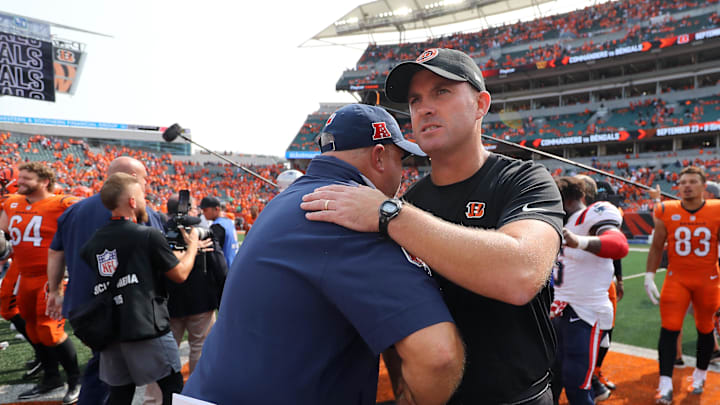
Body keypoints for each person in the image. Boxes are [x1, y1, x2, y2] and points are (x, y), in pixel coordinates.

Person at [301, 48, 564, 404]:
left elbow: (521, 274)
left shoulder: (524, 179)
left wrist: (390, 215)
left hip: (518, 398)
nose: (424, 108)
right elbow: (392, 319)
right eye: (415, 99)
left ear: (481, 104)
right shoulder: (409, 201)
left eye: (442, 91)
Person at [182, 103, 464, 405]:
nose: (402, 171)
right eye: (401, 159)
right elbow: (439, 356)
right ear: (379, 156)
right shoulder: (350, 214)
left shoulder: (282, 202)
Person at [46, 156, 166, 405]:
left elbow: (55, 252)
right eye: (144, 179)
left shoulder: (73, 210)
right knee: (114, 375)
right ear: (132, 179)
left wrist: (55, 291)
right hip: (121, 308)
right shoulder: (139, 211)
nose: (146, 184)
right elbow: (162, 261)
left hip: (82, 306)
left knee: (104, 365)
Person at [80, 173, 199, 405]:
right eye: (142, 196)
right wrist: (193, 246)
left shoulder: (94, 240)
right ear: (133, 201)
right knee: (172, 388)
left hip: (110, 327)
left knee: (120, 393)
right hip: (145, 324)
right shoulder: (147, 235)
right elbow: (180, 274)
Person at [0, 162, 81, 404]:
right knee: (33, 328)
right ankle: (51, 377)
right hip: (25, 275)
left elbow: (91, 210)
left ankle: (75, 380)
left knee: (49, 329)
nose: (20, 182)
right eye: (20, 178)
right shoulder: (12, 203)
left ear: (45, 181)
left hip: (51, 276)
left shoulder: (61, 203)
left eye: (26, 178)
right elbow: (3, 234)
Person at [550, 176, 629, 405]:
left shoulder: (593, 214)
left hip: (585, 310)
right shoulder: (557, 221)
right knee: (551, 378)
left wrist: (580, 242)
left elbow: (619, 245)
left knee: (576, 382)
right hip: (558, 309)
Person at [645, 166, 720, 403]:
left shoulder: (717, 210)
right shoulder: (666, 209)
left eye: (692, 181)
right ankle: (665, 383)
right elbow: (657, 246)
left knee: (705, 328)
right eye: (683, 182)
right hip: (677, 279)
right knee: (669, 329)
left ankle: (700, 374)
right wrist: (649, 275)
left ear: (703, 186)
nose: (687, 185)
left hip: (708, 280)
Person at [143, 196, 227, 405]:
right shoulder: (200, 231)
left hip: (169, 303)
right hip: (201, 301)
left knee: (163, 356)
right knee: (200, 349)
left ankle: (153, 400)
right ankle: (196, 397)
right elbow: (220, 266)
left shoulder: (159, 231)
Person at [575, 175, 624, 397]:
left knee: (604, 333)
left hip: (599, 284)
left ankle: (595, 373)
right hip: (571, 286)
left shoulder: (600, 211)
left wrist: (619, 278)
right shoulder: (564, 211)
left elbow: (615, 246)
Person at [199, 196, 238, 268]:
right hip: (234, 266)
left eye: (205, 210)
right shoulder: (228, 222)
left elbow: (213, 254)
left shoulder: (217, 226)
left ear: (216, 209)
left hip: (225, 268)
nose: (203, 213)